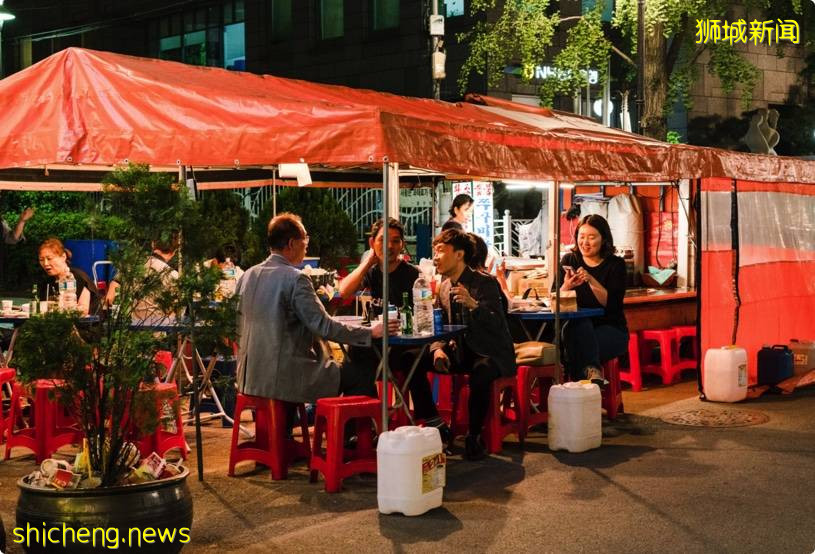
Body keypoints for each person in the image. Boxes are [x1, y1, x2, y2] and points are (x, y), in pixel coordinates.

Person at [235, 212, 397, 403]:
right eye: (305, 239)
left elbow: (236, 326)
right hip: (284, 379)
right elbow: (324, 326)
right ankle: (354, 433)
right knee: (360, 374)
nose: (307, 245)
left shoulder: (247, 276)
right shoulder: (296, 278)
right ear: (291, 243)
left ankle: (346, 431)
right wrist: (370, 333)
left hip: (248, 379)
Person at [339, 218, 450, 441]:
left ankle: (431, 420)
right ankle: (362, 425)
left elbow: (427, 315)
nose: (389, 246)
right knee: (354, 358)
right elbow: (343, 292)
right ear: (372, 242)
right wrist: (367, 263)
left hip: (403, 349)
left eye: (396, 241)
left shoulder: (413, 275)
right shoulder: (370, 273)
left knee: (414, 358)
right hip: (377, 349)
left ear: (402, 245)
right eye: (382, 240)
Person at [431, 229, 516, 460]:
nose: (435, 257)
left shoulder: (485, 283)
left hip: (491, 353)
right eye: (434, 251)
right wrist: (438, 349)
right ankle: (435, 425)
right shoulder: (444, 286)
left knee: (482, 372)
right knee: (414, 359)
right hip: (460, 352)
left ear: (459, 255)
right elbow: (438, 325)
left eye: (440, 251)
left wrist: (473, 305)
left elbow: (498, 323)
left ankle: (474, 436)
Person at [557, 214, 629, 385]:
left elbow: (611, 304)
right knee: (578, 326)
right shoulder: (569, 260)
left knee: (572, 345)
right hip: (575, 329)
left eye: (591, 237)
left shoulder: (616, 264)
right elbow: (555, 296)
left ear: (604, 239)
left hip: (611, 330)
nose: (585, 242)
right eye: (581, 237)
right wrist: (567, 286)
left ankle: (577, 390)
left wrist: (591, 280)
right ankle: (592, 375)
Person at [37, 238, 100, 316]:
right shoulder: (47, 282)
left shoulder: (78, 277)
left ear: (63, 257)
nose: (45, 263)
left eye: (49, 259)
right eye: (41, 260)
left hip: (84, 325)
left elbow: (83, 311)